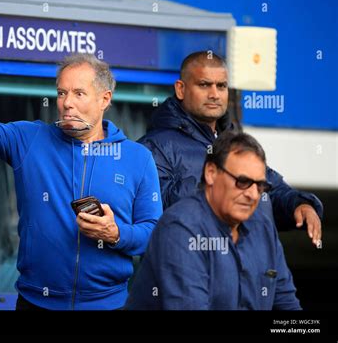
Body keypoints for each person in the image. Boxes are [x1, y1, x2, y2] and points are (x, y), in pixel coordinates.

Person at [0, 53, 162, 310]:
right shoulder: (30, 139)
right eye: (61, 93)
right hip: (36, 303)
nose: (67, 103)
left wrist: (116, 234)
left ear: (105, 99)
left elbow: (153, 232)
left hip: (108, 305)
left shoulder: (138, 158)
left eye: (79, 93)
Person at [138, 51, 323, 246]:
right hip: (187, 265)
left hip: (241, 265)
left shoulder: (236, 144)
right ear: (181, 89)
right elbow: (159, 213)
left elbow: (270, 188)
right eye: (204, 85)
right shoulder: (154, 147)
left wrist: (300, 204)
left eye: (221, 86)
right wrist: (222, 187)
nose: (214, 94)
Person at [126, 131, 301, 310]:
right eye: (242, 181)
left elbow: (287, 303)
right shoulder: (180, 228)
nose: (253, 194)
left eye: (260, 185)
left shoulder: (263, 226)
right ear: (211, 173)